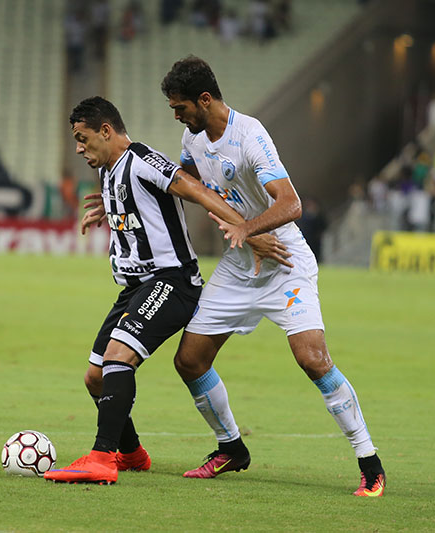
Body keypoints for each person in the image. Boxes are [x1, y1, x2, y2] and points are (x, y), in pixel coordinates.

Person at [160, 56, 386, 496]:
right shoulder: (192, 136)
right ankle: (231, 448)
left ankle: (369, 462)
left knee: (312, 359)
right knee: (189, 360)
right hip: (241, 266)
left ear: (204, 100)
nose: (177, 115)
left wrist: (247, 228)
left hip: (284, 262)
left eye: (180, 106)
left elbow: (291, 203)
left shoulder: (250, 135)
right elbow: (187, 180)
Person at [44, 97, 291, 485]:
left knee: (118, 357)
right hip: (134, 288)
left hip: (171, 282)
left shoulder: (142, 159)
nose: (78, 148)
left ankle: (102, 457)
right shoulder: (110, 170)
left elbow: (194, 190)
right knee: (96, 377)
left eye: (83, 138)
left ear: (106, 131)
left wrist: (248, 230)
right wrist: (109, 210)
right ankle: (131, 454)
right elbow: (144, 207)